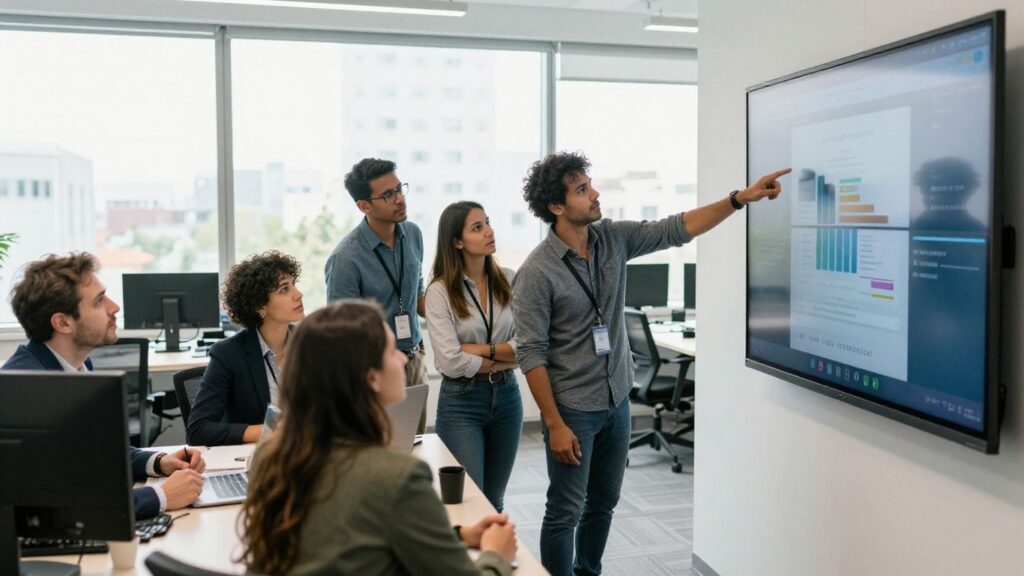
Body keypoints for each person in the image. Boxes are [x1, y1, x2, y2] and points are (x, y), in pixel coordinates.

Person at [512, 152, 789, 576]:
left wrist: (739, 199)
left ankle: (588, 571)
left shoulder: (613, 238)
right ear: (556, 206)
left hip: (617, 397)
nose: (595, 193)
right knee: (565, 509)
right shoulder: (537, 272)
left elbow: (677, 228)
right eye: (582, 190)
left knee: (603, 502)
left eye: (590, 184)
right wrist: (553, 423)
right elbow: (531, 353)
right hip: (573, 409)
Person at [241, 300, 518, 576]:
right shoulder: (398, 477)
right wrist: (496, 555)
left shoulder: (269, 457)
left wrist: (455, 535)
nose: (401, 357)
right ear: (371, 378)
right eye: (390, 351)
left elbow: (342, 538)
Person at [2, 253, 205, 520]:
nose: (114, 307)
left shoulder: (77, 366)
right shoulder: (27, 390)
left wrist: (157, 462)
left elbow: (96, 453)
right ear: (62, 322)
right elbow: (57, 504)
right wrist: (161, 496)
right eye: (99, 301)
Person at [425, 201, 521, 512]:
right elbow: (450, 361)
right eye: (477, 227)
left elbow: (530, 345)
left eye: (488, 223)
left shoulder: (509, 279)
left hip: (508, 395)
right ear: (457, 241)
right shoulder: (440, 291)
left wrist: (480, 350)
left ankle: (492, 560)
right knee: (468, 503)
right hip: (462, 401)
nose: (489, 232)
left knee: (494, 501)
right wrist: (506, 353)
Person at [325, 158, 428, 433]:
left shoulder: (414, 234)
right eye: (388, 195)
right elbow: (342, 334)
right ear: (364, 206)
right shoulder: (345, 259)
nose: (400, 199)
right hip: (375, 371)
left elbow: (418, 296)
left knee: (415, 443)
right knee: (381, 452)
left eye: (399, 189)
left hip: (414, 359)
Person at [187, 251, 304, 446]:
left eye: (294, 284)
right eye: (284, 289)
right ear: (260, 306)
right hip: (261, 459)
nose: (298, 294)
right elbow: (199, 430)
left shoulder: (312, 344)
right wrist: (269, 431)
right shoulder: (228, 354)